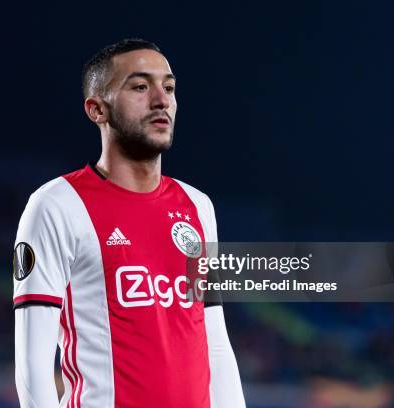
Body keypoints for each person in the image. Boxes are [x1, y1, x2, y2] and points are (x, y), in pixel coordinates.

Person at [13, 38, 246, 408]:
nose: (161, 99)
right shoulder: (56, 205)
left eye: (168, 87)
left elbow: (214, 342)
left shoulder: (198, 206)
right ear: (96, 109)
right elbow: (34, 363)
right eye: (140, 86)